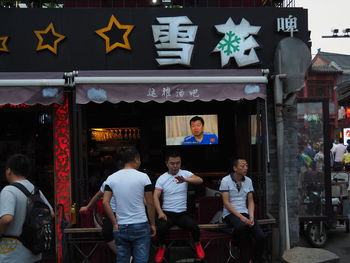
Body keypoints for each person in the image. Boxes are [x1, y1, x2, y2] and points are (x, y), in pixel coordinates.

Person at [103, 146, 156, 263]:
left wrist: (114, 223)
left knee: (122, 259)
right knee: (141, 260)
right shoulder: (143, 177)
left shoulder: (111, 178)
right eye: (139, 159)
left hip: (121, 225)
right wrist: (152, 224)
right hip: (140, 224)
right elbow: (150, 203)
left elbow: (105, 202)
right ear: (136, 159)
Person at [0, 153, 54, 262]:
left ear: (9, 170)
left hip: (12, 255)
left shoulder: (8, 190)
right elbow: (51, 213)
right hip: (34, 254)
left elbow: (6, 219)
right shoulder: (35, 190)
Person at [153, 151, 205, 263]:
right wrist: (160, 212)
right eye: (172, 163)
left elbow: (200, 180)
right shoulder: (162, 178)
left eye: (178, 163)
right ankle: (162, 247)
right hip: (167, 213)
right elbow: (155, 197)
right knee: (161, 228)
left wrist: (186, 180)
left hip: (182, 214)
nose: (175, 166)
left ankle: (197, 243)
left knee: (194, 226)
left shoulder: (185, 173)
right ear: (167, 163)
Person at [219, 158, 265, 263]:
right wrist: (242, 218)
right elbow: (226, 203)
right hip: (230, 213)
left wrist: (251, 216)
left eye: (246, 166)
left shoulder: (248, 180)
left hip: (244, 212)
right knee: (242, 227)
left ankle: (255, 259)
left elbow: (250, 201)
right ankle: (236, 244)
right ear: (235, 168)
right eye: (242, 166)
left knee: (260, 236)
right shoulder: (225, 180)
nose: (245, 168)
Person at [80, 180, 117, 254]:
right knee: (107, 232)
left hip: (126, 212)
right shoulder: (110, 180)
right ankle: (124, 256)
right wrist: (87, 207)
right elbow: (98, 196)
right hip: (111, 212)